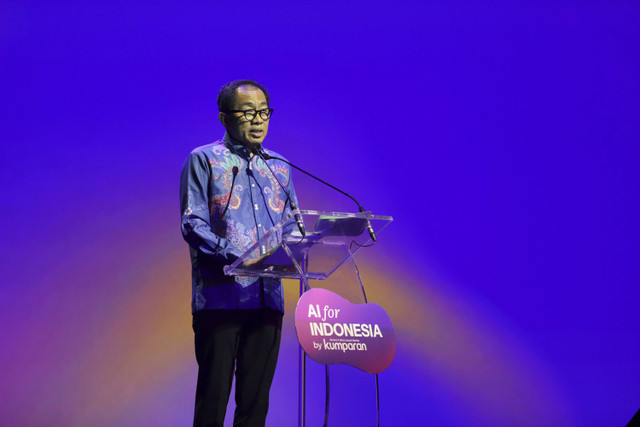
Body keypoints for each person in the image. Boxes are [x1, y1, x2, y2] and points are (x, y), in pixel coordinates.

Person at [179, 79, 299, 427]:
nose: (258, 120)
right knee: (213, 403)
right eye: (248, 113)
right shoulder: (204, 160)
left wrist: (294, 247)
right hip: (220, 298)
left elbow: (294, 223)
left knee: (255, 406)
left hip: (267, 299)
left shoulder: (279, 166)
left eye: (263, 112)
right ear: (224, 118)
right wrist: (236, 256)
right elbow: (192, 223)